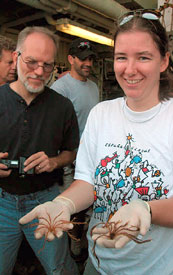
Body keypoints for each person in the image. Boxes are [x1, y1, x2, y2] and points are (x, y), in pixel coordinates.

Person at [19, 10, 173, 275]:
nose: (129, 69)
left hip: (166, 268)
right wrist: (64, 204)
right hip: (100, 264)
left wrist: (146, 209)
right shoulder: (102, 114)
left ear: (164, 61)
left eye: (143, 57)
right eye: (121, 58)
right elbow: (88, 182)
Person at [0, 26, 79, 274]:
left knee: (59, 268)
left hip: (46, 201)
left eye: (47, 65)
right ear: (16, 56)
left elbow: (73, 152)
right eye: (32, 62)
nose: (39, 72)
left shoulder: (62, 107)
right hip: (2, 203)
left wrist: (54, 162)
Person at [51, 38, 99, 260]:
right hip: (69, 161)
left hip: (90, 159)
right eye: (82, 59)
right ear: (71, 59)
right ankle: (64, 253)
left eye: (90, 58)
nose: (87, 63)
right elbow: (54, 129)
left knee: (85, 208)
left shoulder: (93, 87)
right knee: (68, 208)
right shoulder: (60, 88)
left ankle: (78, 250)